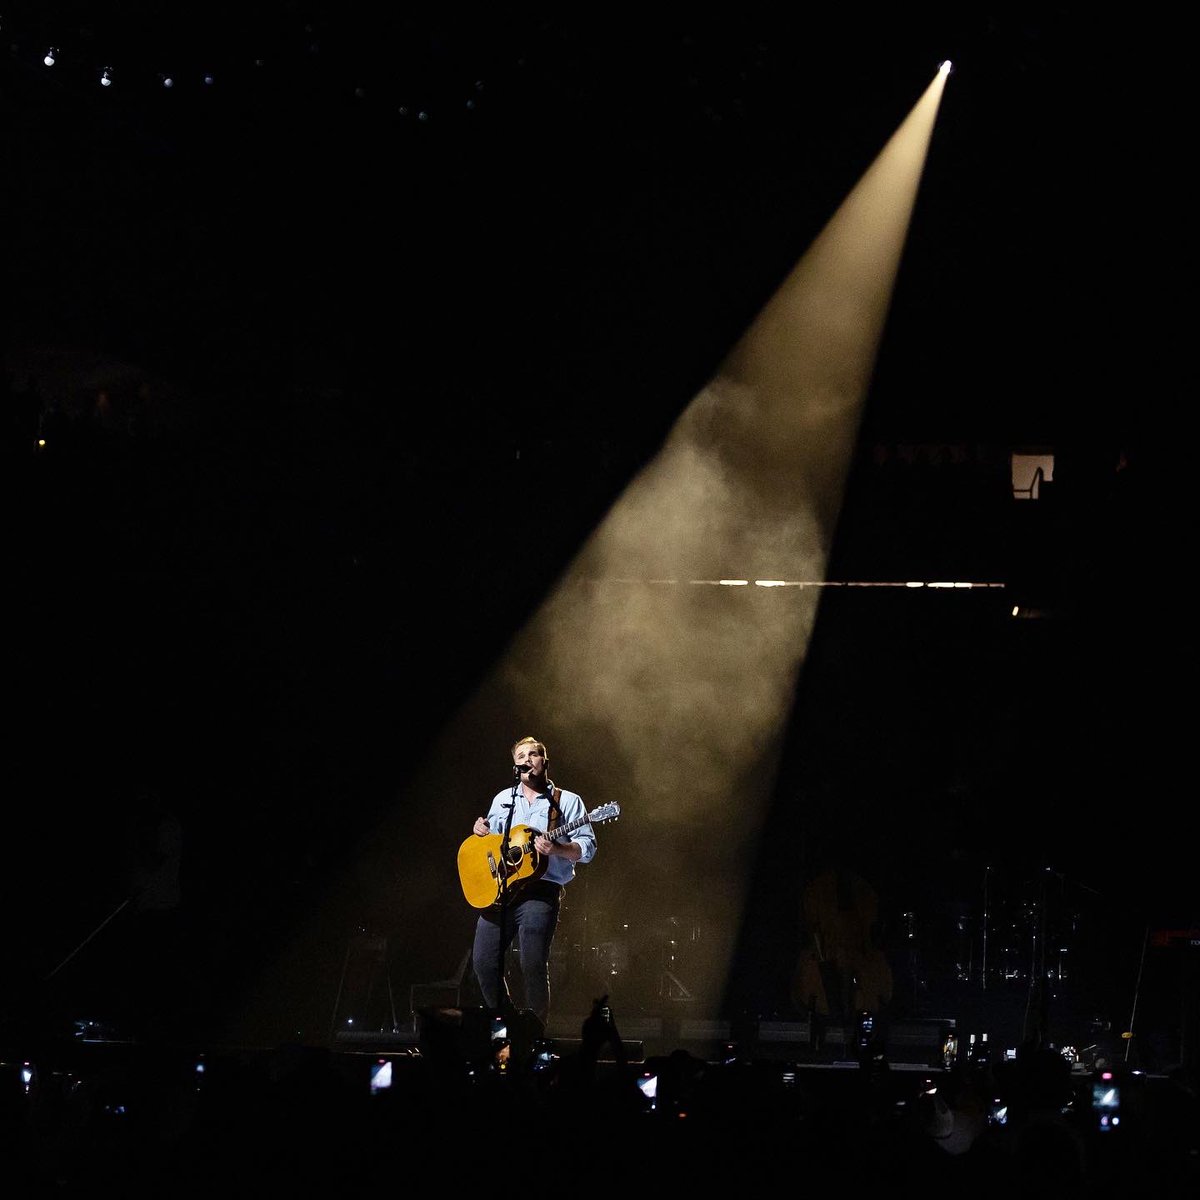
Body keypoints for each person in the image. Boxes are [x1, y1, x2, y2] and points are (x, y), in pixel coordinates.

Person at [469, 735, 597, 1033]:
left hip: (541, 892)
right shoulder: (503, 799)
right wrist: (480, 831)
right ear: (515, 765)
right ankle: (510, 1024)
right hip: (501, 891)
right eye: (521, 756)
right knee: (484, 964)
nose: (527, 759)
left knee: (532, 963)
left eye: (534, 754)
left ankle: (536, 1034)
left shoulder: (566, 801)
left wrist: (559, 850)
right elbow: (491, 846)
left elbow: (587, 847)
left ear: (544, 762)